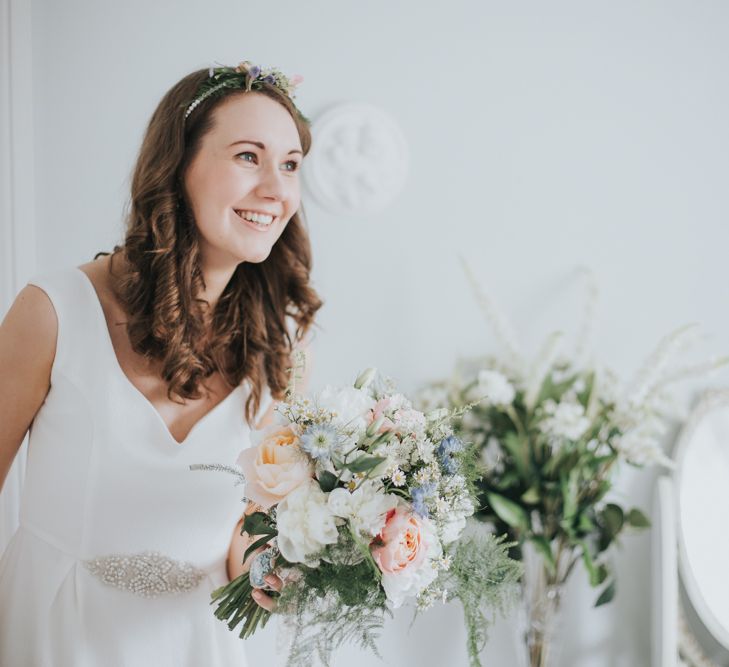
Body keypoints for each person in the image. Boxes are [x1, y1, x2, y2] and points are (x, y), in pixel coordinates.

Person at [0, 60, 322, 666]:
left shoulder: (281, 349)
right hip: (54, 635)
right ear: (178, 166)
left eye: (290, 165)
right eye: (248, 156)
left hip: (198, 643)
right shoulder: (53, 311)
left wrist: (268, 568)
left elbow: (247, 520)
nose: (277, 191)